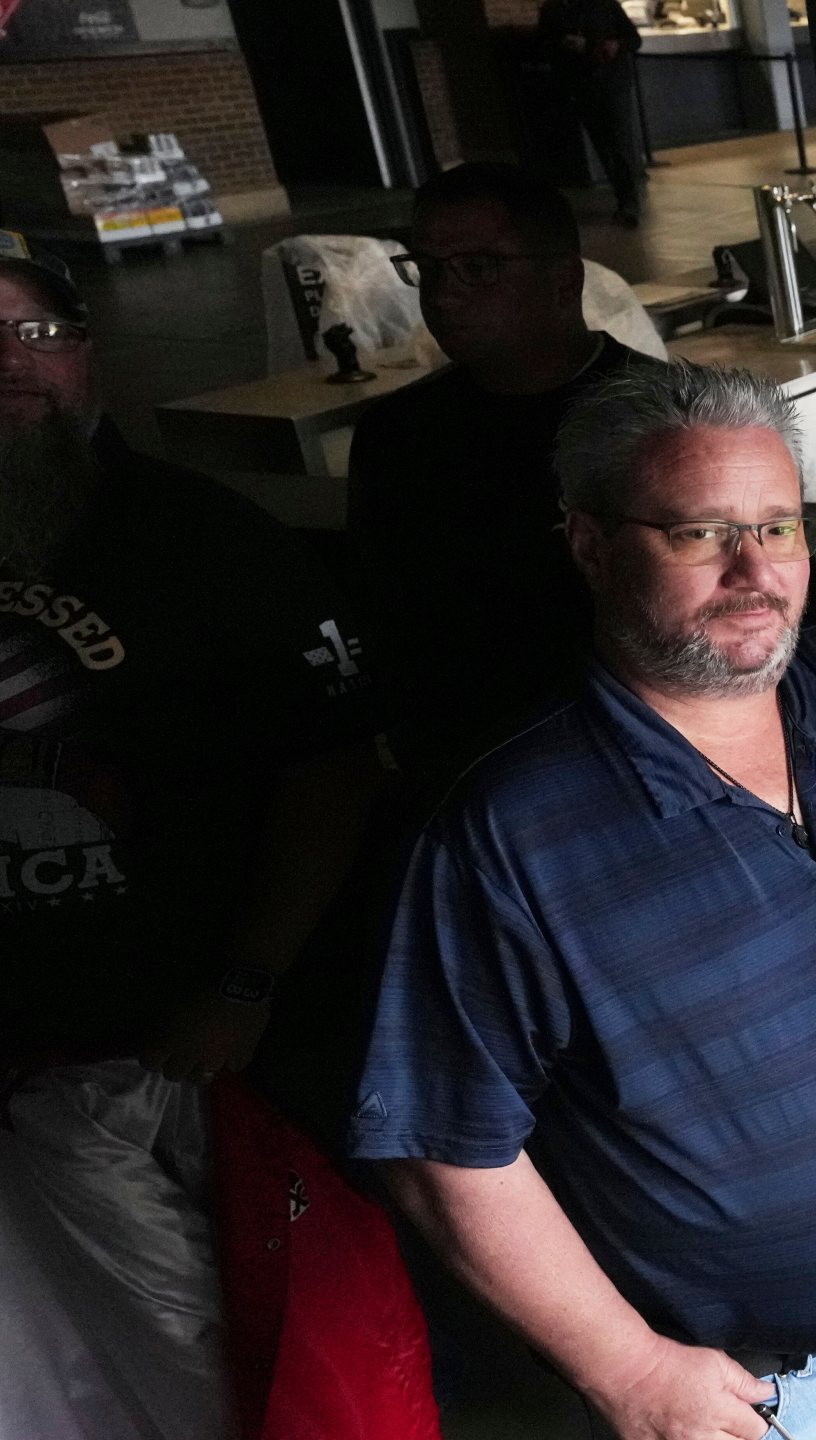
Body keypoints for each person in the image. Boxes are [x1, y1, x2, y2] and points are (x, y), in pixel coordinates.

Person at [349, 362, 816, 1440]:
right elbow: (441, 1145)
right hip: (757, 1400)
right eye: (699, 535)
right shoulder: (510, 832)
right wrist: (626, 1370)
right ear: (590, 544)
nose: (755, 571)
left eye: (779, 528)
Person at [0, 244, 394, 1437]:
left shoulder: (203, 540)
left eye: (28, 339)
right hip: (30, 1049)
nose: (5, 371)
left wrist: (245, 982)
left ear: (84, 353)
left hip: (195, 1048)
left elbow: (328, 777)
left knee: (237, 1352)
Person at [349, 161, 659, 786]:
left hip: (642, 756)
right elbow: (387, 627)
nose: (443, 294)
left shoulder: (668, 418)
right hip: (471, 766)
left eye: (479, 267)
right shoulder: (398, 435)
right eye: (428, 269)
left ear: (564, 276)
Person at [539, 0, 648, 226]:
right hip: (582, 86)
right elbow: (544, 46)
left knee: (620, 141)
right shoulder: (553, 11)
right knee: (603, 145)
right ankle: (624, 197)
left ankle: (629, 201)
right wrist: (564, 46)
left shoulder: (606, 5)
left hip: (613, 83)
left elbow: (634, 39)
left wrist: (616, 45)